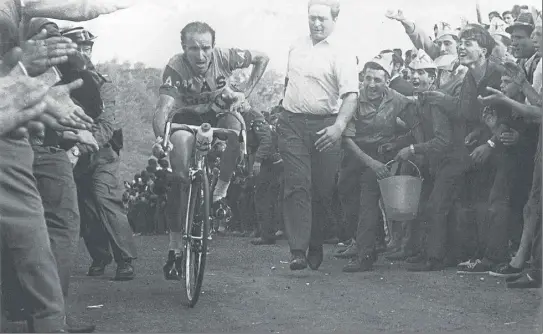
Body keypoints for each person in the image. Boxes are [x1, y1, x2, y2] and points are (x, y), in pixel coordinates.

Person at [0, 1, 130, 332]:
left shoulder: (89, 76)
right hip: (34, 146)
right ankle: (45, 316)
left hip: (38, 143)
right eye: (79, 44)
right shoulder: (28, 31)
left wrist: (73, 126)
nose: (81, 49)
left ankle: (38, 314)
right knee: (55, 225)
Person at [151, 21, 269, 279]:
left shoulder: (225, 56)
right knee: (178, 178)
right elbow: (162, 109)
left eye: (205, 48)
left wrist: (245, 92)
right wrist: (162, 138)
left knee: (236, 128)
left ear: (213, 47)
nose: (201, 55)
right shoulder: (176, 66)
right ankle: (174, 248)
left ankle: (219, 193)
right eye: (193, 49)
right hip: (186, 118)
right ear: (184, 48)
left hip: (219, 113)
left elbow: (262, 57)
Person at [278, 0, 358, 271]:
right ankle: (297, 249)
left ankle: (315, 241)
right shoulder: (295, 45)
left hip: (325, 125)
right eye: (312, 18)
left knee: (322, 190)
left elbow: (351, 95)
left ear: (334, 19)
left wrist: (338, 127)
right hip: (291, 123)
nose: (316, 23)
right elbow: (289, 81)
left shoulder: (341, 52)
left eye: (322, 18)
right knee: (297, 183)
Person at [59, 27, 138, 281]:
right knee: (86, 208)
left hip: (101, 152)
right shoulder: (55, 82)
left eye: (87, 48)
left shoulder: (103, 85)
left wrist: (79, 147)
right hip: (71, 154)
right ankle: (100, 257)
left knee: (106, 199)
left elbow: (105, 126)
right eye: (78, 48)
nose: (84, 53)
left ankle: (125, 259)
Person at [337, 53, 422, 272]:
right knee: (346, 194)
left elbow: (416, 125)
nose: (372, 85)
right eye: (368, 79)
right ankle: (366, 242)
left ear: (387, 80)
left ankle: (365, 256)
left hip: (382, 152)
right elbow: (346, 139)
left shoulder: (397, 98)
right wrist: (371, 163)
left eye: (378, 80)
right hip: (355, 151)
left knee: (368, 195)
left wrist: (402, 145)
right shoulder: (353, 99)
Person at [395, 50, 470, 271]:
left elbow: (442, 141)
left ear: (432, 77)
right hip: (438, 163)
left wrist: (411, 149)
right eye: (412, 73)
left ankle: (435, 258)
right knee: (427, 205)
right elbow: (421, 133)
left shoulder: (435, 102)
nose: (415, 77)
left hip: (453, 161)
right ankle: (428, 252)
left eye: (422, 73)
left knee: (437, 206)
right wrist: (398, 144)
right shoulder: (422, 101)